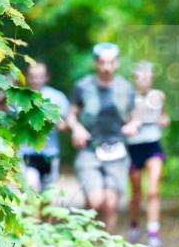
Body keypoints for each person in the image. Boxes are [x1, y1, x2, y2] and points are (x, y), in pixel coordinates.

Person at [66, 42, 136, 232]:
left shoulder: (126, 88)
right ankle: (86, 236)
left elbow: (134, 116)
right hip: (90, 149)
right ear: (95, 63)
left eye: (111, 63)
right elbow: (71, 114)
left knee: (111, 204)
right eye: (102, 63)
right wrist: (76, 128)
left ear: (117, 63)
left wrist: (133, 124)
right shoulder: (83, 86)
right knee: (96, 201)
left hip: (117, 150)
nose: (106, 67)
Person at [124, 61, 170, 247]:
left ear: (152, 79)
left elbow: (165, 115)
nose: (144, 82)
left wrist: (164, 120)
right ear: (134, 80)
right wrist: (132, 122)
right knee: (136, 193)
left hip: (153, 146)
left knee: (153, 190)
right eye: (140, 78)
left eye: (147, 78)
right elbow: (124, 121)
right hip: (134, 148)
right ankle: (134, 227)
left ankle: (153, 232)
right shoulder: (128, 98)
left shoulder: (159, 96)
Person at [19, 61, 69, 193]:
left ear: (47, 77)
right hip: (27, 153)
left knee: (48, 197)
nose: (36, 80)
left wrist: (50, 121)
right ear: (26, 77)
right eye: (33, 76)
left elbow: (65, 125)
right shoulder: (18, 96)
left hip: (50, 154)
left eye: (40, 76)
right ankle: (32, 214)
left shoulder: (58, 97)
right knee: (32, 190)